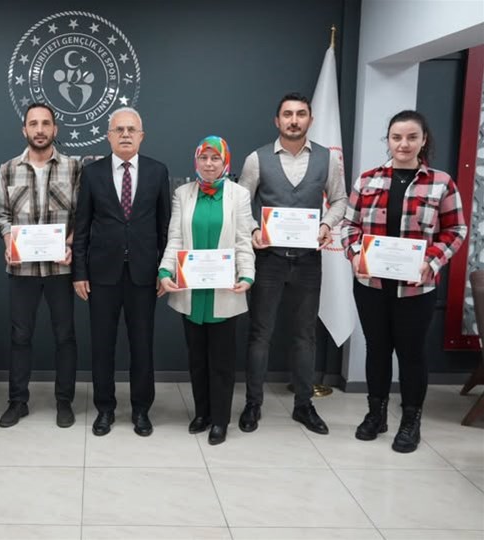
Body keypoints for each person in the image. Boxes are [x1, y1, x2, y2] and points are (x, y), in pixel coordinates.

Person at [341, 110, 466, 453]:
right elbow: (349, 225)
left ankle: (411, 421)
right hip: (371, 285)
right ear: (389, 140)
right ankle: (376, 414)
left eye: (412, 137)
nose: (404, 144)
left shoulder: (441, 183)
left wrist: (432, 260)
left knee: (411, 353)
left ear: (423, 140)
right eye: (397, 137)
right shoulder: (367, 180)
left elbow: (456, 229)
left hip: (416, 288)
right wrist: (355, 254)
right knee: (377, 349)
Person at [238, 92, 347, 435]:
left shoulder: (328, 159)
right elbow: (240, 203)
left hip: (308, 261)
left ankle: (304, 405)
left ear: (310, 120)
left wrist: (327, 225)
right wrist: (253, 230)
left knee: (305, 336)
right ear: (277, 120)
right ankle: (253, 404)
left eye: (301, 114)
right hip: (268, 260)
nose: (294, 120)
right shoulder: (256, 159)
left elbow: (340, 200)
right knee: (260, 335)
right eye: (288, 114)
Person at [72, 107, 171, 437]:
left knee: (142, 345)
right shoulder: (92, 173)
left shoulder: (157, 171)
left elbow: (165, 228)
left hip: (144, 275)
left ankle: (141, 409)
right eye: (119, 129)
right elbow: (82, 227)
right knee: (102, 345)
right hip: (102, 275)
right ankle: (105, 408)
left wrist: (164, 270)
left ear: (141, 136)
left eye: (131, 129)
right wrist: (79, 272)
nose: (125, 134)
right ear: (109, 136)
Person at [158, 136, 255, 445]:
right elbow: (175, 238)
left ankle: (220, 420)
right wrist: (164, 271)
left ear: (225, 162)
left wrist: (248, 275)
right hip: (192, 290)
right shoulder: (182, 193)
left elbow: (243, 240)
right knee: (197, 359)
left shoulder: (239, 195)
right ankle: (202, 413)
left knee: (222, 362)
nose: (209, 164)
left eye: (216, 158)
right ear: (196, 161)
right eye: (204, 158)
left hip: (224, 291)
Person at [0, 103, 81, 428]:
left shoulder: (74, 168)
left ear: (55, 129)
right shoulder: (7, 169)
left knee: (65, 337)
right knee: (20, 337)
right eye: (34, 123)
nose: (40, 129)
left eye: (46, 123)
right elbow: (3, 215)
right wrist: (9, 243)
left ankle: (64, 401)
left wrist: (69, 243)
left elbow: (82, 215)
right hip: (23, 270)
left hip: (61, 268)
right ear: (25, 130)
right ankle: (18, 401)